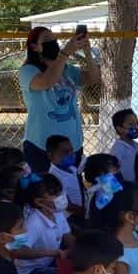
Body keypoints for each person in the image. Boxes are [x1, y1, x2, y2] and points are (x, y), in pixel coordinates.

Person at [20, 26, 97, 175]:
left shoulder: (67, 70)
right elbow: (45, 82)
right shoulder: (28, 70)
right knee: (48, 191)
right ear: (34, 47)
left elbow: (93, 78)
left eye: (54, 39)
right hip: (43, 146)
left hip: (71, 144)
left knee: (73, 190)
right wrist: (65, 52)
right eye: (47, 40)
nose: (53, 43)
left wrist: (87, 52)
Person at [11, 174, 72, 274]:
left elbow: (68, 238)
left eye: (59, 191)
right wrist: (52, 253)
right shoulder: (33, 222)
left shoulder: (58, 214)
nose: (61, 196)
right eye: (54, 194)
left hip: (48, 263)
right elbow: (16, 251)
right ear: (38, 201)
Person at [46, 134, 84, 218]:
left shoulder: (72, 169)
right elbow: (67, 205)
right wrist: (85, 212)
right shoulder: (53, 177)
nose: (71, 154)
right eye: (66, 152)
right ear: (50, 155)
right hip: (70, 217)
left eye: (71, 150)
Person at [82, 153, 120, 222]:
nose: (118, 173)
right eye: (115, 171)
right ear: (102, 173)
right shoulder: (105, 192)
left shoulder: (95, 191)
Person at [110, 109, 138, 183]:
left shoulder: (136, 145)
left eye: (137, 123)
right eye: (131, 124)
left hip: (137, 185)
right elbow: (112, 170)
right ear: (120, 129)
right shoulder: (118, 148)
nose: (136, 126)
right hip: (126, 187)